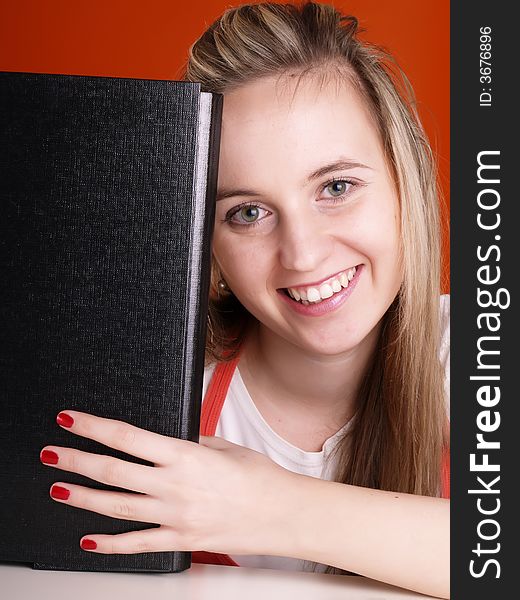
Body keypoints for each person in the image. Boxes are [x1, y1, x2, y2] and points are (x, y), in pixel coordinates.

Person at [39, 3, 450, 598]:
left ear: (401, 186)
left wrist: (272, 507)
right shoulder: (159, 399)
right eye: (248, 213)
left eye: (337, 187)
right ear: (207, 240)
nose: (303, 255)